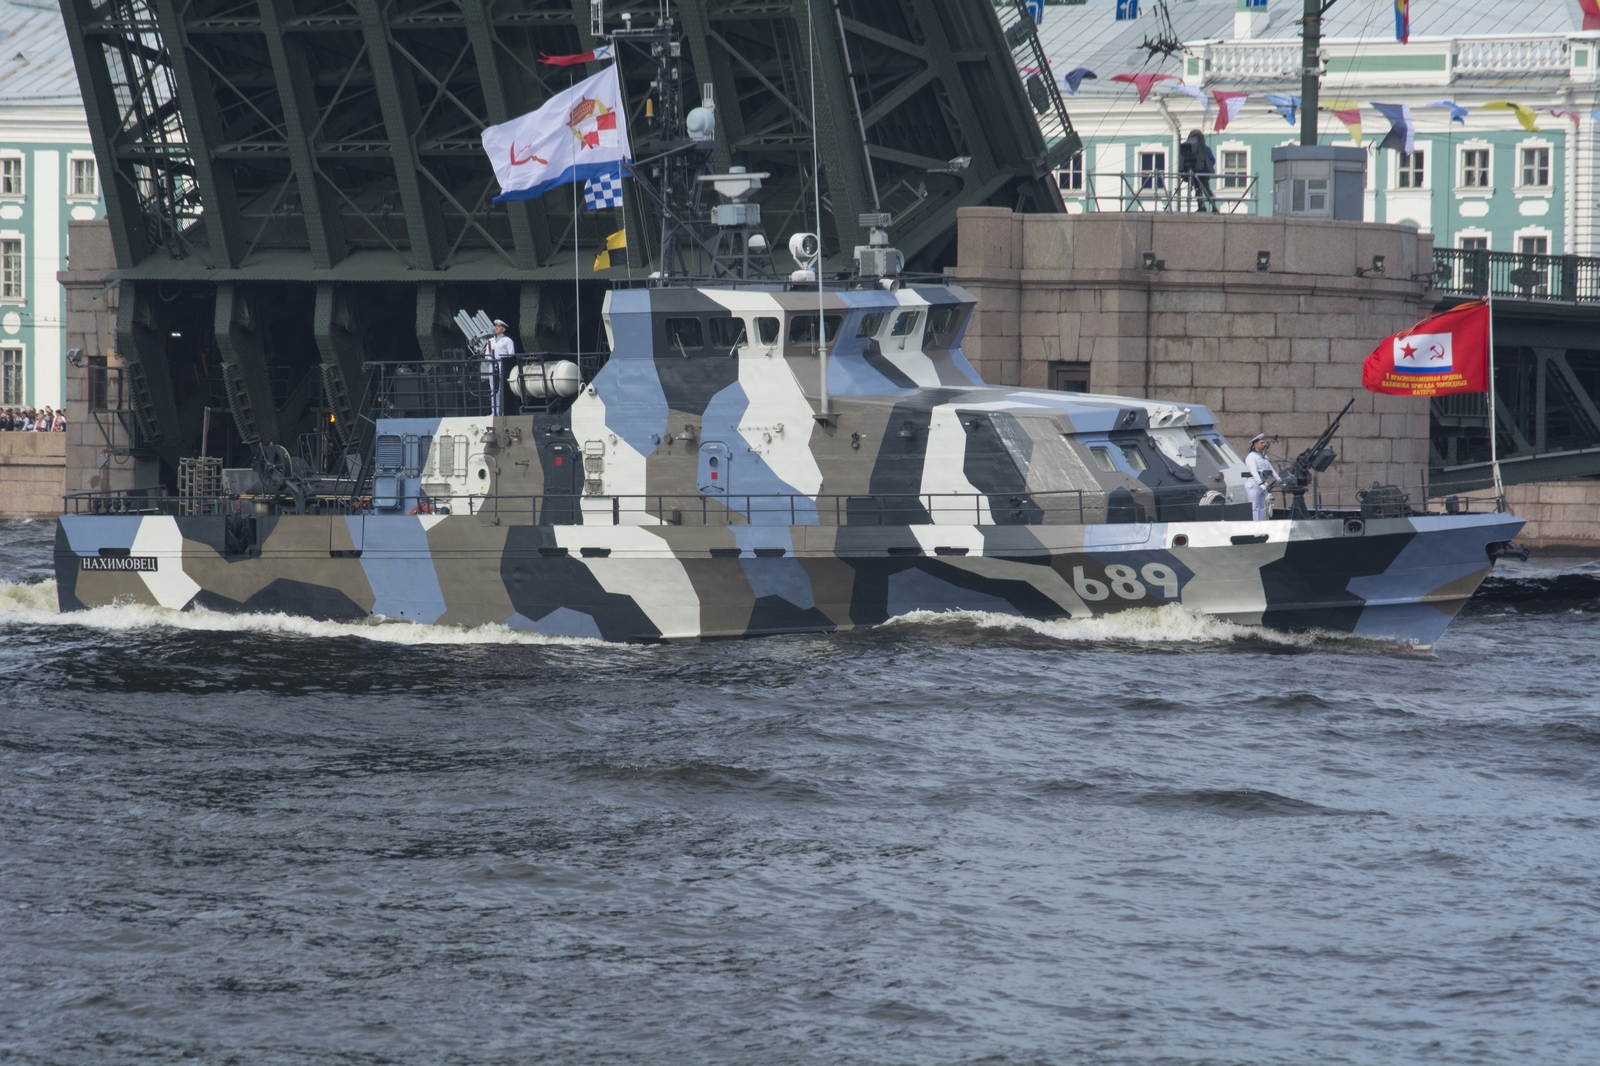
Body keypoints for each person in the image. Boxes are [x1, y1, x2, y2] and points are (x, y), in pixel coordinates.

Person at [485, 319, 516, 417]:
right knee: (493, 388)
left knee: (502, 388)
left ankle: (502, 411)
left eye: (499, 327)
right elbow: (486, 355)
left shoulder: (507, 340)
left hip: (502, 364)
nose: (496, 328)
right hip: (492, 364)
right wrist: (490, 358)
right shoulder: (490, 341)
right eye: (496, 326)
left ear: (503, 329)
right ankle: (494, 412)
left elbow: (511, 354)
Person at [1245, 433, 1278, 521]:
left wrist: (1278, 478)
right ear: (1255, 444)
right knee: (1254, 508)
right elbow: (1254, 471)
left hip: (1263, 484)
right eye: (1261, 443)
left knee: (1261, 507)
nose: (1264, 444)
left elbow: (1270, 468)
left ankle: (1260, 526)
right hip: (1254, 484)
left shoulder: (1264, 456)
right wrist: (1260, 483)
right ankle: (1255, 528)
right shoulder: (1251, 457)